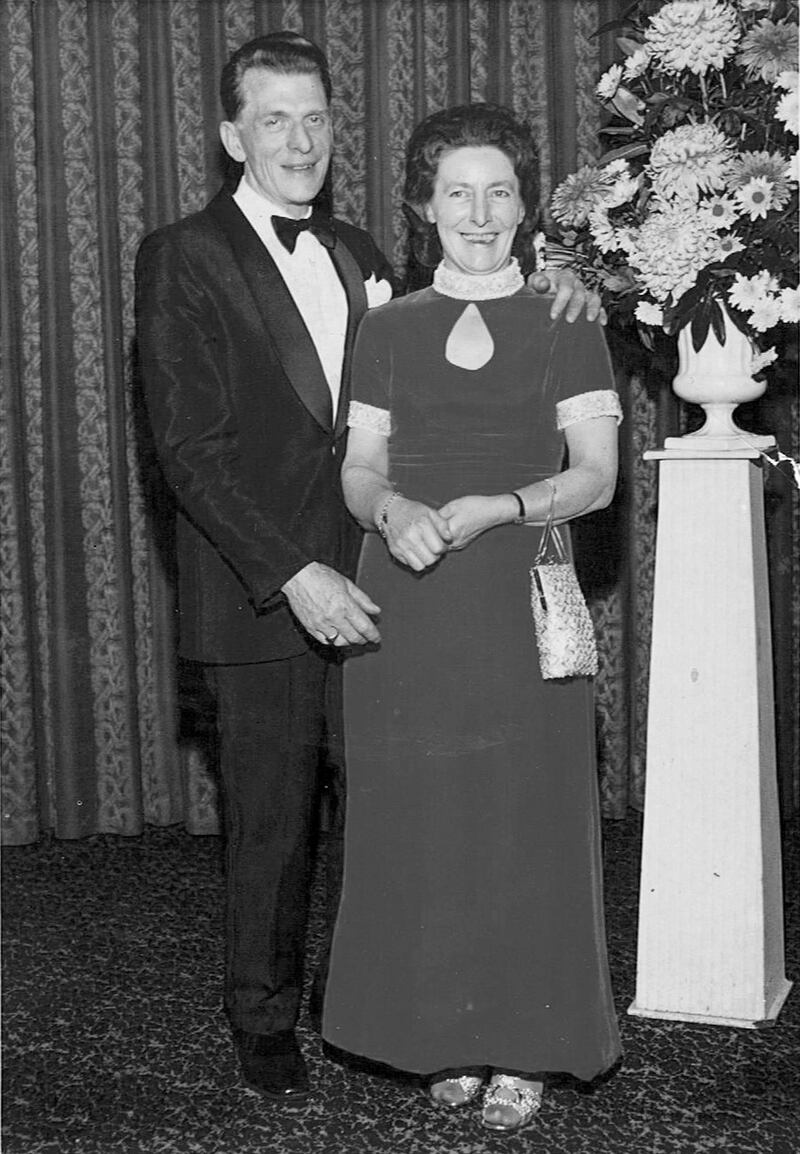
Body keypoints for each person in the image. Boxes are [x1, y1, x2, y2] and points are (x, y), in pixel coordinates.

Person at [135, 32, 600, 1104]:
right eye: (272, 120)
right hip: (272, 587)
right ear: (229, 136)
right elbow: (186, 449)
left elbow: (478, 299)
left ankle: (430, 1008)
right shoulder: (183, 254)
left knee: (412, 810)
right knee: (272, 818)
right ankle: (263, 1021)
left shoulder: (360, 251)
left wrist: (569, 280)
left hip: (400, 587)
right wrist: (297, 570)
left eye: (314, 117)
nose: (297, 139)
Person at [322, 102, 622, 1134]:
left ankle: (523, 1039)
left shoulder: (566, 321)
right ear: (422, 205)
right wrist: (390, 506)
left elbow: (595, 477)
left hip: (518, 593)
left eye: (499, 190)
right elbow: (358, 467)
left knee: (523, 815)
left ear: (526, 203)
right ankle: (439, 1027)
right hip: (403, 597)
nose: (479, 211)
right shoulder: (388, 327)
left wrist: (500, 504)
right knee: (425, 816)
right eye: (457, 191)